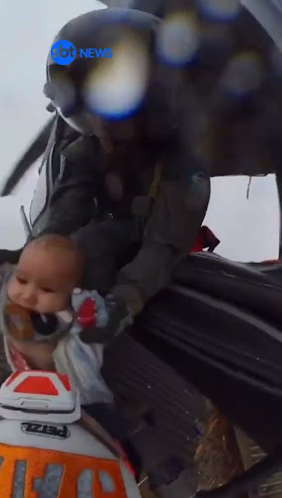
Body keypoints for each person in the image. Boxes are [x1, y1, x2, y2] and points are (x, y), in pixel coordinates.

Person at [19, 8, 212, 345]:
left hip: (155, 264)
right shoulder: (83, 151)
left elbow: (164, 246)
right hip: (107, 257)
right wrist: (29, 271)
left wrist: (121, 304)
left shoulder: (183, 163)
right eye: (91, 109)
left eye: (116, 109)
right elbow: (60, 221)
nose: (103, 126)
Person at [0, 234, 114, 406]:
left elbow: (96, 322)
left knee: (100, 414)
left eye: (47, 289)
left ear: (71, 293)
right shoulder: (8, 282)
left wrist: (91, 318)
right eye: (22, 280)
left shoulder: (74, 314)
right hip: (23, 371)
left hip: (66, 386)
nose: (28, 295)